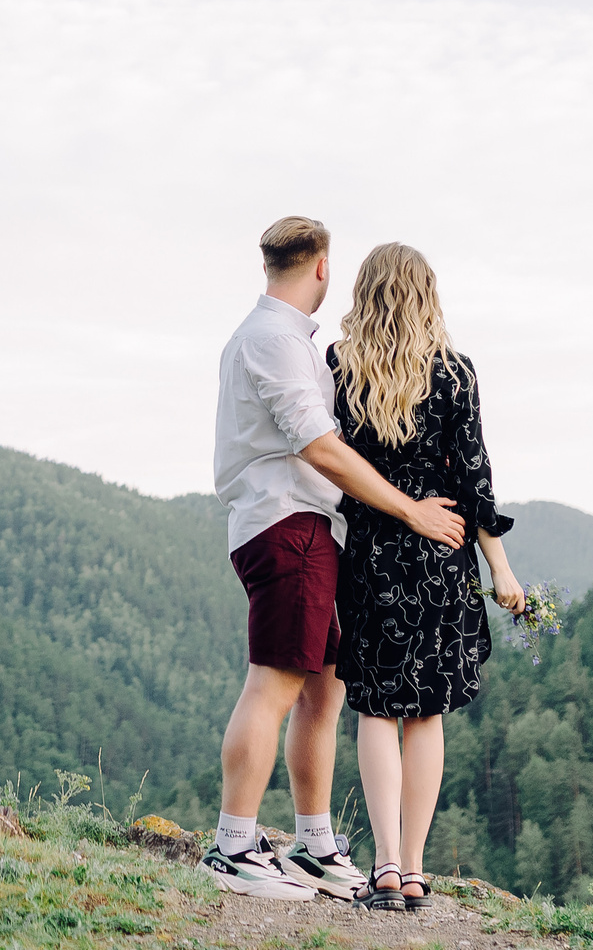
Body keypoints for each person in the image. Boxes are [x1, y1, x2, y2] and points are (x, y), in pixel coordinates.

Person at [205, 217, 469, 899]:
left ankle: (314, 843)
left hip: (312, 528)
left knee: (324, 688)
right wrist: (410, 510)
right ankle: (233, 843)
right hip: (286, 523)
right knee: (275, 685)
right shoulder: (273, 340)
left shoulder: (287, 339)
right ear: (320, 266)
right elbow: (318, 446)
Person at [326, 242, 523, 912]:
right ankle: (413, 869)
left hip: (374, 554)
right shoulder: (457, 375)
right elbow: (476, 482)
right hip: (441, 552)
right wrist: (500, 568)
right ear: (426, 294)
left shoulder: (341, 369)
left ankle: (382, 864)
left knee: (378, 710)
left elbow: (331, 463)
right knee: (427, 714)